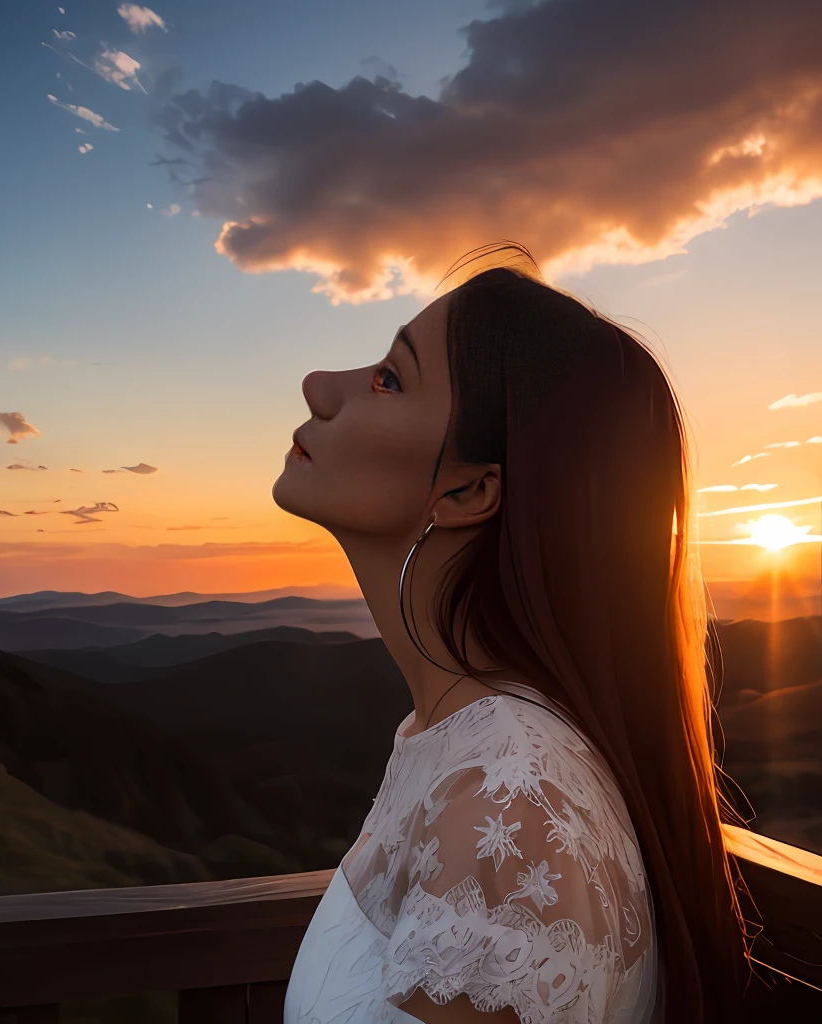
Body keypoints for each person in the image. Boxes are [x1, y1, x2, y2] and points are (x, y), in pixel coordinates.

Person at [275, 244, 757, 1023]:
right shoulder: (462, 748)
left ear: (470, 489)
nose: (319, 387)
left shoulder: (513, 808)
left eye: (390, 378)